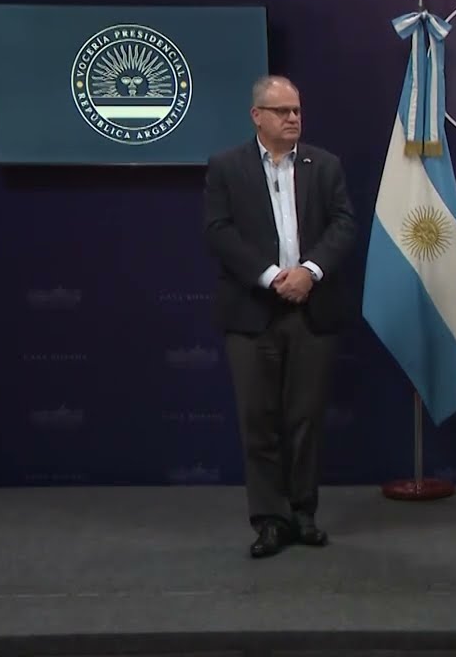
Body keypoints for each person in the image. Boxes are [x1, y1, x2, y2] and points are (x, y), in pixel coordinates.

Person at [202, 75, 357, 558]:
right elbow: (219, 232)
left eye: (297, 111)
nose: (293, 118)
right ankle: (269, 519)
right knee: (258, 421)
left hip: (312, 310)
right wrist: (271, 277)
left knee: (305, 419)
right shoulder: (226, 168)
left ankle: (303, 513)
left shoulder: (324, 165)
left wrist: (310, 271)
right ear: (257, 117)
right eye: (282, 111)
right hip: (252, 314)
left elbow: (344, 223)